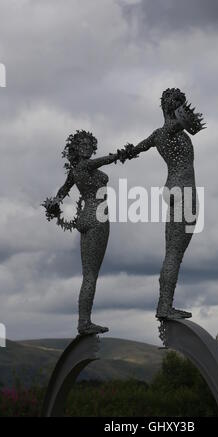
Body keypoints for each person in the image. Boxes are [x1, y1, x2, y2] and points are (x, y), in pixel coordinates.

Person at [42, 130, 135, 335]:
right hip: (97, 217)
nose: (86, 146)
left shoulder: (74, 171)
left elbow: (60, 194)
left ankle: (83, 320)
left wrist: (53, 207)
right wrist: (121, 154)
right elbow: (103, 161)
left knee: (88, 274)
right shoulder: (84, 165)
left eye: (88, 143)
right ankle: (84, 322)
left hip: (85, 218)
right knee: (92, 275)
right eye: (81, 143)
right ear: (75, 147)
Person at [129, 88, 206, 320]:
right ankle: (165, 306)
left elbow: (135, 149)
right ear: (172, 106)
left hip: (171, 189)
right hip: (184, 190)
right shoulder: (173, 129)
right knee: (175, 254)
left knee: (171, 252)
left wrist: (118, 155)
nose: (183, 106)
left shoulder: (157, 135)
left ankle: (164, 303)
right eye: (179, 103)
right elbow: (186, 123)